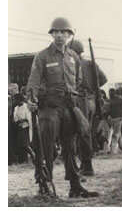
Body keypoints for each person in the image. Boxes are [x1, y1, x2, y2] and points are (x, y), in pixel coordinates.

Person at [26, 17, 98, 198]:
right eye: (55, 32)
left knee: (70, 146)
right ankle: (44, 186)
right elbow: (33, 80)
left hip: (68, 106)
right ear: (51, 34)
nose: (59, 36)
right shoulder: (42, 56)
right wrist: (31, 99)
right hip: (49, 107)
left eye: (63, 32)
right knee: (46, 147)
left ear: (68, 35)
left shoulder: (73, 57)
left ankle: (75, 187)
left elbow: (78, 80)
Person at [69, 39, 107, 175]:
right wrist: (92, 88)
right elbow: (103, 79)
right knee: (86, 132)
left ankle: (87, 165)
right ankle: (85, 163)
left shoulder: (73, 64)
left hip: (81, 100)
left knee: (82, 133)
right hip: (91, 101)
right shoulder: (91, 64)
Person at [107, 88, 122, 154]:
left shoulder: (120, 99)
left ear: (114, 93)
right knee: (118, 133)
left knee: (115, 134)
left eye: (111, 94)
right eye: (109, 93)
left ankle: (112, 150)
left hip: (119, 118)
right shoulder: (110, 99)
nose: (110, 95)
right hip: (112, 118)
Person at [13, 93, 32, 164]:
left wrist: (23, 120)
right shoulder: (16, 108)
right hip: (20, 127)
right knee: (20, 143)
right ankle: (23, 159)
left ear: (20, 100)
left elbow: (29, 118)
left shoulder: (26, 107)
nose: (15, 102)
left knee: (25, 144)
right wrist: (16, 120)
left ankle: (33, 156)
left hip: (26, 127)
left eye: (16, 100)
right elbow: (15, 116)